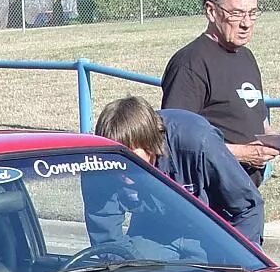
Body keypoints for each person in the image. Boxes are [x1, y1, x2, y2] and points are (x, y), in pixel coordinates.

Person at [161, 0, 280, 186]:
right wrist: (244, 154)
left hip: (245, 194)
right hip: (209, 196)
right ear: (211, 11)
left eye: (252, 13)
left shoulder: (246, 56)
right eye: (237, 14)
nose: (247, 23)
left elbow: (257, 122)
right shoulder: (190, 63)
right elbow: (176, 141)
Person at [85, 95, 264, 247]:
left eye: (130, 160)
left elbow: (247, 208)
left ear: (150, 145)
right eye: (116, 163)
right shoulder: (101, 164)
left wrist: (241, 267)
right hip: (154, 234)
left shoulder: (198, 142)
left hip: (211, 233)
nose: (122, 170)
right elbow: (105, 231)